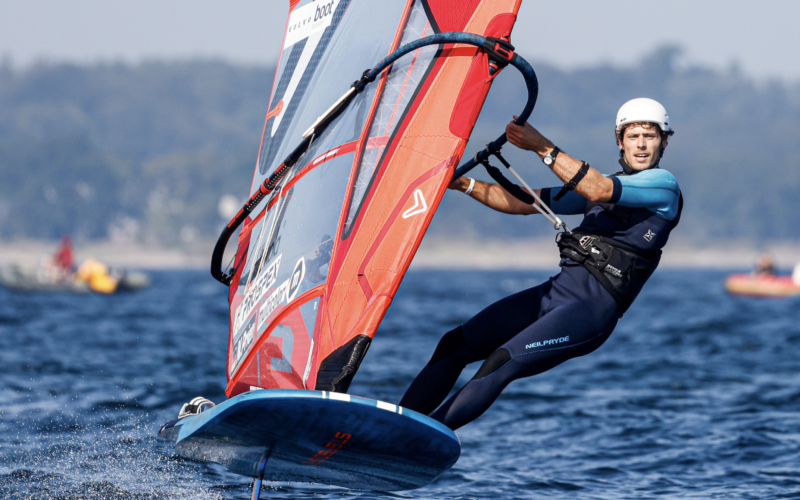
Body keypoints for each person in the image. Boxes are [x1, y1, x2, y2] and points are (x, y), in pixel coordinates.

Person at [399, 98, 683, 431]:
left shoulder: (663, 187)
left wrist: (542, 147)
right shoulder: (597, 188)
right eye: (633, 136)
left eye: (649, 136)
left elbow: (599, 187)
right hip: (554, 294)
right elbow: (522, 202)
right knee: (454, 344)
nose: (641, 144)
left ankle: (419, 437)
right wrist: (464, 184)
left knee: (501, 361)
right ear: (620, 142)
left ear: (664, 141)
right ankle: (390, 427)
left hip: (588, 313)